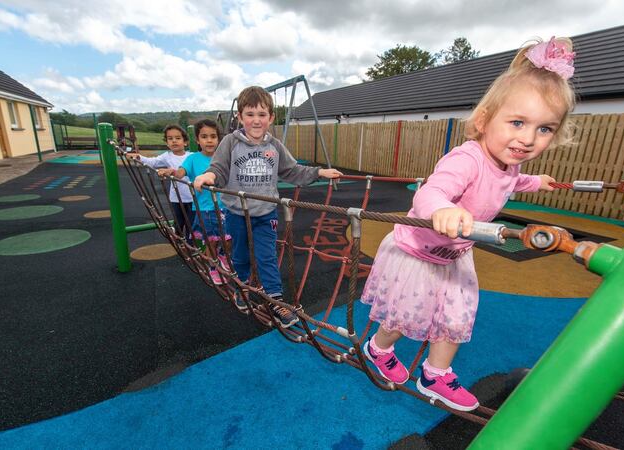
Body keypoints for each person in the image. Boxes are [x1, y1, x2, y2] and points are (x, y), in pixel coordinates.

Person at [360, 37, 577, 411]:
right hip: (417, 250)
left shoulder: (510, 162)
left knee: (456, 316)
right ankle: (378, 348)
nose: (527, 139)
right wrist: (443, 208)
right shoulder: (466, 159)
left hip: (456, 253)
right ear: (484, 120)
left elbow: (511, 180)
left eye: (545, 129)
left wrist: (535, 181)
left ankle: (434, 374)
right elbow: (431, 192)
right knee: (404, 314)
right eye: (517, 122)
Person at [194, 86, 342, 328]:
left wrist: (319, 172)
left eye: (262, 114)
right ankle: (242, 288)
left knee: (267, 257)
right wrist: (209, 176)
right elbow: (219, 168)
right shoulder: (230, 143)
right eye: (250, 114)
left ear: (271, 118)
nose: (256, 120)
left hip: (265, 213)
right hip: (237, 213)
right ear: (240, 117)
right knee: (240, 255)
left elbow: (292, 171)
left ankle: (275, 300)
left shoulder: (274, 146)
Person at [160, 120, 237, 301]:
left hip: (226, 206)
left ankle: (224, 257)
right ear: (197, 140)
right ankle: (213, 266)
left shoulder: (224, 157)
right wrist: (171, 172)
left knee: (228, 237)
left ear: (219, 139)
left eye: (213, 136)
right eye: (204, 137)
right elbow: (181, 173)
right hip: (204, 209)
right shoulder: (193, 158)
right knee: (210, 241)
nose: (209, 141)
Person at [128, 125, 193, 239]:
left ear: (185, 142)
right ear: (167, 143)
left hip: (192, 197)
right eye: (170, 138)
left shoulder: (192, 156)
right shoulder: (167, 156)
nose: (174, 141)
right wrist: (139, 157)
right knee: (178, 222)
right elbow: (152, 162)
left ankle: (191, 245)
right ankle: (180, 242)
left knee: (192, 224)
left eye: (178, 138)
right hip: (176, 198)